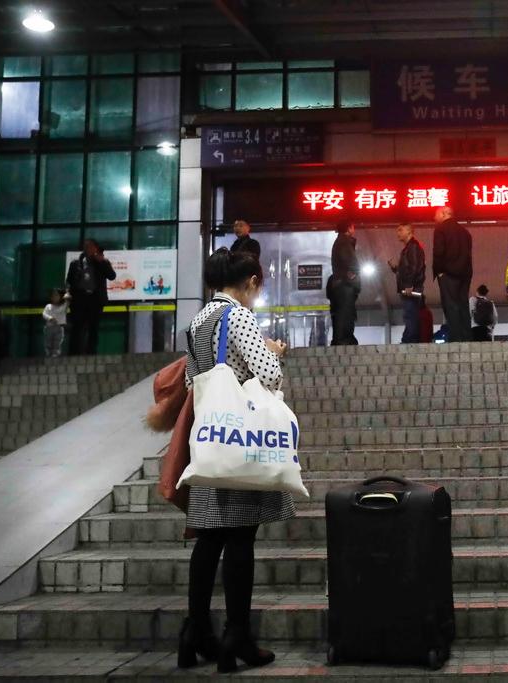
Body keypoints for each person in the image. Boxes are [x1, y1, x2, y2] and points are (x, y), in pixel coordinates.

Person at [179, 248, 291, 673]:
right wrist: (273, 350)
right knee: (241, 539)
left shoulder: (199, 320)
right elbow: (269, 374)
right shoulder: (238, 315)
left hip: (210, 439)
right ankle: (237, 636)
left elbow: (191, 380)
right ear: (251, 282)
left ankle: (195, 632)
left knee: (209, 538)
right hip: (240, 441)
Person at [66, 239, 116, 355]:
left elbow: (112, 276)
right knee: (77, 327)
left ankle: (91, 353)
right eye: (86, 246)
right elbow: (69, 280)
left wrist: (101, 262)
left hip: (95, 299)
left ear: (96, 248)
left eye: (91, 246)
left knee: (93, 328)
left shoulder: (102, 262)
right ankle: (74, 353)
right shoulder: (75, 263)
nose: (88, 248)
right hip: (79, 299)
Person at [432, 206, 473, 343]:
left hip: (448, 274)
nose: (434, 218)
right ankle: (467, 336)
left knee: (451, 306)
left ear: (444, 214)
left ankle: (456, 337)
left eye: (436, 214)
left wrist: (439, 271)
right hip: (465, 274)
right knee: (463, 305)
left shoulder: (440, 230)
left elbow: (438, 252)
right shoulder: (465, 232)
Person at [387, 223, 426, 344]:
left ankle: (410, 341)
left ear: (409, 231)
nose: (398, 233)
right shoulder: (409, 248)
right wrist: (395, 268)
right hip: (409, 287)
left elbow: (415, 267)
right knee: (410, 314)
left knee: (410, 314)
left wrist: (409, 284)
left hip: (410, 288)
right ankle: (409, 340)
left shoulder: (412, 247)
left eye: (400, 230)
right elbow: (409, 268)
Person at [328, 221, 360, 346]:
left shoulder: (340, 242)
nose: (354, 229)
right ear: (349, 228)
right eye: (353, 226)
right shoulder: (344, 242)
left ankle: (342, 339)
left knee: (342, 313)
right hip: (345, 285)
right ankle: (344, 340)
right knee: (345, 313)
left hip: (341, 284)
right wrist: (354, 277)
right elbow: (350, 263)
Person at [42, 288, 70, 358]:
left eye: (57, 295)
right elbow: (44, 314)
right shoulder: (48, 306)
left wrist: (67, 296)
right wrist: (50, 318)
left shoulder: (63, 307)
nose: (55, 297)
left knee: (57, 342)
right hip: (49, 328)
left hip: (59, 328)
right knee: (48, 341)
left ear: (60, 297)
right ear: (51, 297)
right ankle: (48, 353)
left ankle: (55, 354)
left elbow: (67, 303)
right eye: (53, 295)